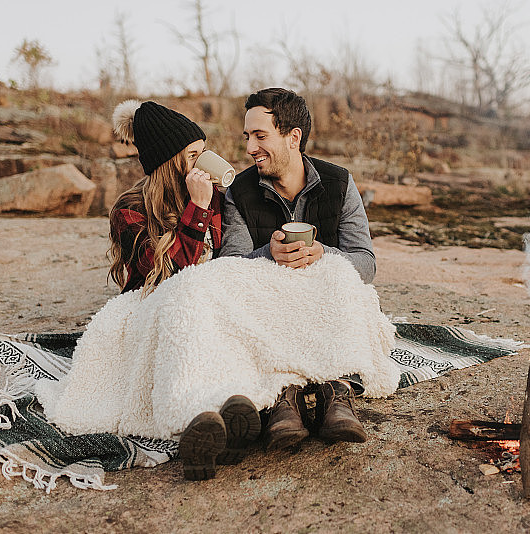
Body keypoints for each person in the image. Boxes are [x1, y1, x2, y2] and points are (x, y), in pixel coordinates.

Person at [107, 100, 262, 481]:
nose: (203, 162)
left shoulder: (220, 198)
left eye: (203, 151)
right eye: (193, 156)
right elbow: (171, 273)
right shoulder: (130, 210)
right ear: (169, 162)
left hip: (207, 310)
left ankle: (225, 419)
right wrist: (197, 208)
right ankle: (193, 421)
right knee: (186, 298)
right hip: (155, 310)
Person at [219, 88, 375, 452]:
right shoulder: (239, 192)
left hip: (327, 305)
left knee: (340, 273)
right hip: (271, 309)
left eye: (260, 136)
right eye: (247, 136)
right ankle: (281, 396)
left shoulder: (339, 183)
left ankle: (337, 392)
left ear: (293, 137)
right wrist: (268, 255)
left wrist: (323, 255)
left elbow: (366, 264)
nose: (250, 148)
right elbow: (229, 269)